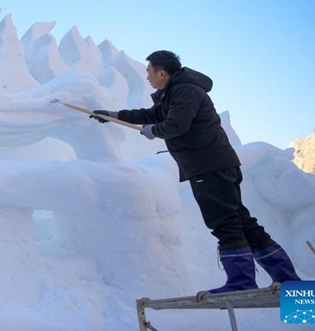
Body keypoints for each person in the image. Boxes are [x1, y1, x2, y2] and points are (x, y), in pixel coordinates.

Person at [89, 50, 300, 293]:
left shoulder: (185, 91)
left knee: (224, 222)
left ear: (162, 72)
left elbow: (176, 125)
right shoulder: (175, 93)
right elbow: (149, 114)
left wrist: (153, 131)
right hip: (215, 164)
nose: (147, 77)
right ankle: (288, 280)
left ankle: (241, 282)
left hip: (207, 165)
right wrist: (114, 116)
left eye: (149, 72)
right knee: (242, 221)